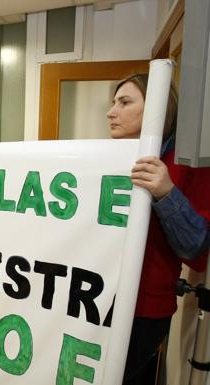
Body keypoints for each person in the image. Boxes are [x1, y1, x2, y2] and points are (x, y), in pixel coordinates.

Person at [107, 73, 210, 384]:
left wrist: (166, 193)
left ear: (157, 110)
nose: (112, 112)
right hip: (97, 299)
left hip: (145, 311)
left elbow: (195, 247)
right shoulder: (110, 159)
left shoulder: (186, 166)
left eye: (124, 102)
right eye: (114, 103)